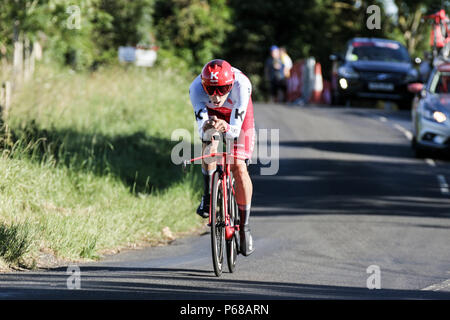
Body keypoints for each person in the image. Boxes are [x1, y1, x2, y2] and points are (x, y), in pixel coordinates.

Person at [189, 59, 255, 256]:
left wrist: (226, 127)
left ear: (231, 83)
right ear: (203, 85)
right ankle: (208, 196)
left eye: (222, 89)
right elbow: (202, 131)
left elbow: (234, 131)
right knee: (209, 142)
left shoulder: (242, 85)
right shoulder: (196, 89)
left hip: (236, 118)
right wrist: (208, 126)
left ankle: (243, 226)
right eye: (210, 89)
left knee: (238, 165)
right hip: (212, 116)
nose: (216, 96)